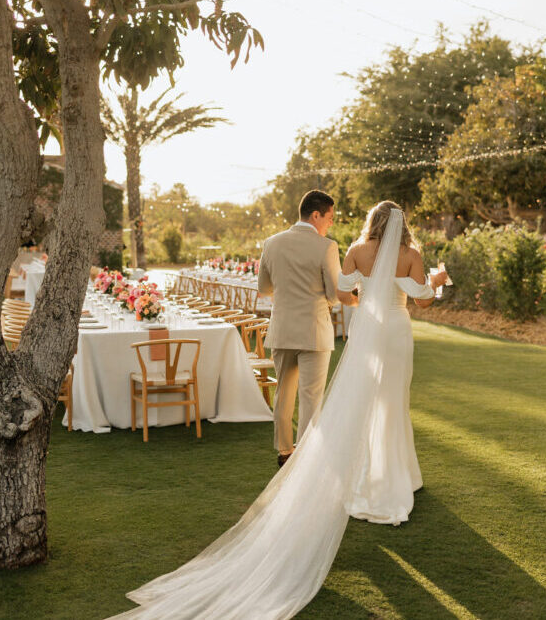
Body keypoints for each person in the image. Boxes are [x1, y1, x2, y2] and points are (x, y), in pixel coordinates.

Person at [110, 201, 449, 620]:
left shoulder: (353, 249)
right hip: (393, 330)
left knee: (330, 398)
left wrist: (368, 296)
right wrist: (438, 280)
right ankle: (395, 478)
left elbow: (341, 292)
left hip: (359, 328)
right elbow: (424, 301)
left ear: (372, 222)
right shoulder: (410, 255)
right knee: (387, 401)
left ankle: (325, 463)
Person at [256, 189, 341, 468]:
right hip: (314, 331)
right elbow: (333, 293)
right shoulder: (326, 246)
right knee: (311, 397)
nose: (330, 223)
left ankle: (284, 451)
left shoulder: (271, 242)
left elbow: (264, 289)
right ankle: (305, 459)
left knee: (284, 393)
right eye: (329, 218)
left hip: (281, 329)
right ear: (315, 215)